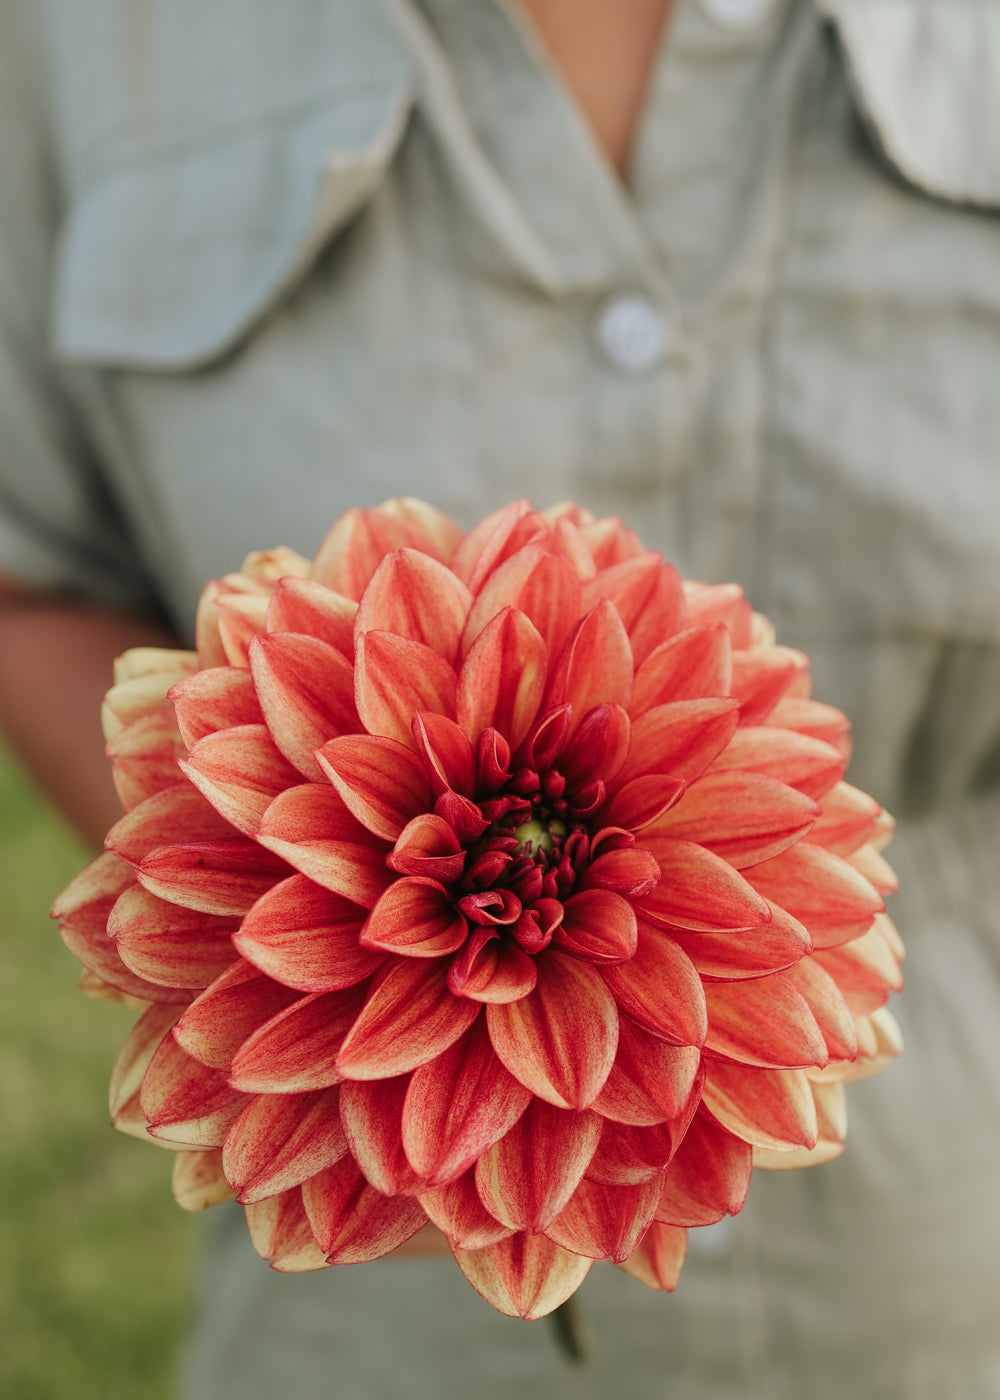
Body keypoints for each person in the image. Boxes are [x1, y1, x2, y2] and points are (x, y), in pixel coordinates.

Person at [2, 0, 999, 1395]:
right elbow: (24, 573)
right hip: (371, 1323)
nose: (530, 860)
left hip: (941, 1280)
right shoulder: (79, 36)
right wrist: (219, 892)